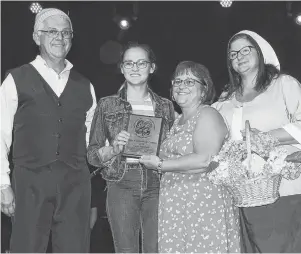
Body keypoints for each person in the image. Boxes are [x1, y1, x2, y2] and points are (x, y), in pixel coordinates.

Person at [0, 8, 97, 252]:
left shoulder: (86, 85)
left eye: (66, 32)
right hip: (29, 181)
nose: (59, 37)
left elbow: (92, 139)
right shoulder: (15, 79)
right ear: (36, 37)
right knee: (26, 248)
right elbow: (0, 133)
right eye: (51, 31)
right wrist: (2, 184)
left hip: (75, 183)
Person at [212, 30, 301, 253]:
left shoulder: (283, 85)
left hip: (285, 191)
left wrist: (266, 137)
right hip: (241, 197)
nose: (239, 56)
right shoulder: (226, 100)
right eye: (233, 53)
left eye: (246, 49)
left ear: (260, 51)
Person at [139, 61, 241, 253]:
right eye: (177, 81)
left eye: (189, 81)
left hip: (203, 203)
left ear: (204, 90)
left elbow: (204, 160)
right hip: (176, 203)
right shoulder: (177, 121)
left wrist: (160, 164)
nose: (181, 86)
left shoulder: (208, 114)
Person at [87, 42, 175, 253]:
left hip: (158, 182)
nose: (135, 68)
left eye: (141, 63)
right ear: (122, 68)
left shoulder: (166, 106)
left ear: (152, 67)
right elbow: (92, 155)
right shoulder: (107, 105)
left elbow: (172, 149)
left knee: (156, 249)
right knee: (126, 250)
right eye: (129, 63)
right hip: (121, 181)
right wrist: (114, 149)